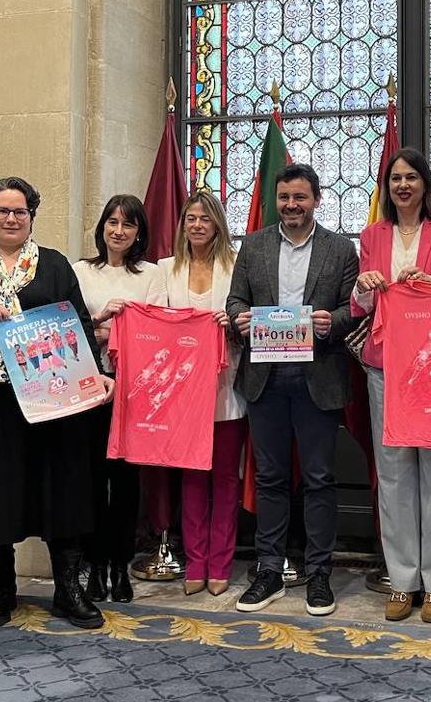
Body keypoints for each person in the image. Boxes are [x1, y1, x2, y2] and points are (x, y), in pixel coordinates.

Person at [0, 177, 114, 630]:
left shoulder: (55, 264)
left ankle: (68, 592)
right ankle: (2, 590)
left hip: (52, 401)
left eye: (20, 212)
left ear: (32, 217)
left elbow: (78, 322)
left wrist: (96, 372)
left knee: (61, 491)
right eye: (3, 210)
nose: (11, 219)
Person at [226, 163, 358, 616]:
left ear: (317, 200)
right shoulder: (255, 246)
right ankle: (269, 571)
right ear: (275, 201)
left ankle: (319, 575)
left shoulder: (341, 250)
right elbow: (235, 299)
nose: (291, 205)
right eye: (284, 198)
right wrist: (241, 319)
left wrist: (331, 323)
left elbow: (351, 310)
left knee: (320, 479)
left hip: (317, 375)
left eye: (300, 197)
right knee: (270, 478)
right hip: (265, 375)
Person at [352, 148, 431, 623]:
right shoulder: (371, 235)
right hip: (385, 368)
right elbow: (359, 307)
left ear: (425, 184)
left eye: (411, 177)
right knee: (396, 473)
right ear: (387, 186)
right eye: (395, 178)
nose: (402, 185)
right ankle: (402, 581)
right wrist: (364, 285)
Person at [73, 194, 166, 604]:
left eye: (128, 224)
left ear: (139, 232)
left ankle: (120, 566)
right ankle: (93, 565)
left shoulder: (152, 275)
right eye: (112, 222)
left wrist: (125, 334)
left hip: (134, 389)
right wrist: (100, 325)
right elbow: (70, 328)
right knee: (91, 481)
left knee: (127, 484)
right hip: (88, 387)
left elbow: (159, 333)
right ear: (102, 227)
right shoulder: (81, 271)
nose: (118, 230)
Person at [158, 191, 246, 597]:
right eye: (190, 218)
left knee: (226, 478)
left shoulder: (236, 266)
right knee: (192, 479)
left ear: (217, 225)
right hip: (182, 393)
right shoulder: (165, 269)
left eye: (205, 219)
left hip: (227, 388)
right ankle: (195, 562)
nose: (196, 225)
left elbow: (250, 317)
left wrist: (233, 322)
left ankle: (220, 563)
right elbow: (156, 326)